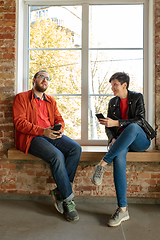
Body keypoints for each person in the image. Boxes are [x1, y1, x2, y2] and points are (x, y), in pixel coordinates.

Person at [12, 70, 82, 222]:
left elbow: (59, 119)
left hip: (51, 135)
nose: (45, 80)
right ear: (34, 80)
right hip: (32, 137)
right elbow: (20, 123)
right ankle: (68, 200)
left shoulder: (51, 100)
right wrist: (43, 131)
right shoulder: (21, 98)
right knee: (56, 156)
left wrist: (60, 129)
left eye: (48, 78)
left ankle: (60, 190)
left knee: (75, 148)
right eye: (42, 77)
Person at [91, 72, 152, 227]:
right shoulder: (112, 102)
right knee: (118, 159)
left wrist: (117, 123)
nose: (112, 88)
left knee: (131, 127)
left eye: (115, 85)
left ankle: (103, 163)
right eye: (112, 85)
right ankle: (122, 209)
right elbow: (109, 129)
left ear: (125, 85)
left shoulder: (137, 97)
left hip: (139, 140)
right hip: (121, 141)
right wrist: (112, 138)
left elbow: (140, 120)